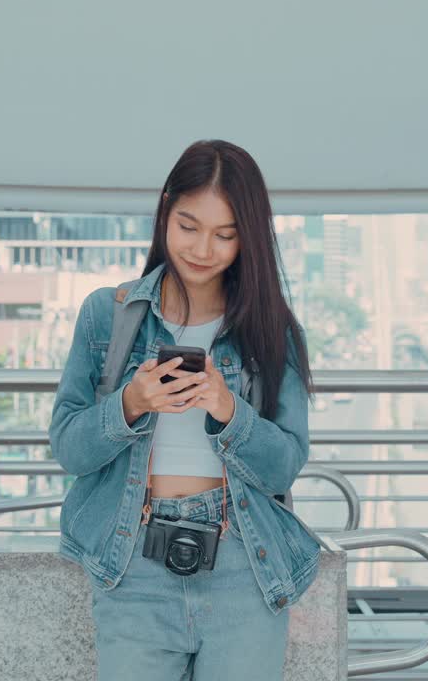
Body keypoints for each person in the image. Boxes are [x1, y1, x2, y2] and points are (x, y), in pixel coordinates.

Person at [49, 140, 320, 680]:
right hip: (133, 568)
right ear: (165, 209)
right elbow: (69, 448)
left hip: (244, 565)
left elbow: (284, 465)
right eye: (188, 225)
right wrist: (130, 404)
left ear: (250, 238)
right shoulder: (109, 314)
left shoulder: (273, 331)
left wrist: (229, 410)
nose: (203, 248)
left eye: (225, 235)